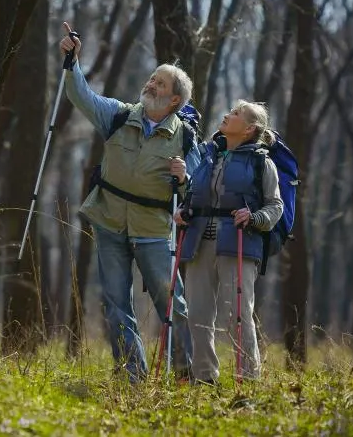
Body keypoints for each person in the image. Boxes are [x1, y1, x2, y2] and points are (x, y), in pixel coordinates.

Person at [59, 22, 197, 383]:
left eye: (160, 84)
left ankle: (183, 374)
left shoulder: (185, 140)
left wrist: (184, 179)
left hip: (153, 229)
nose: (151, 84)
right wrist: (72, 63)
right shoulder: (120, 115)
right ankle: (132, 375)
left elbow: (192, 195)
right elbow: (82, 97)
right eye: (152, 78)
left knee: (172, 305)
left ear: (174, 100)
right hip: (110, 222)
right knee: (116, 304)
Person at [174, 99, 283, 385]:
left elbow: (275, 206)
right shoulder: (208, 155)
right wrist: (184, 211)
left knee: (238, 314)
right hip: (198, 241)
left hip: (239, 243)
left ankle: (248, 380)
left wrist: (255, 217)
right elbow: (193, 194)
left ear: (249, 128)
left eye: (235, 114)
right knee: (196, 313)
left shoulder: (262, 162)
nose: (226, 115)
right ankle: (204, 377)